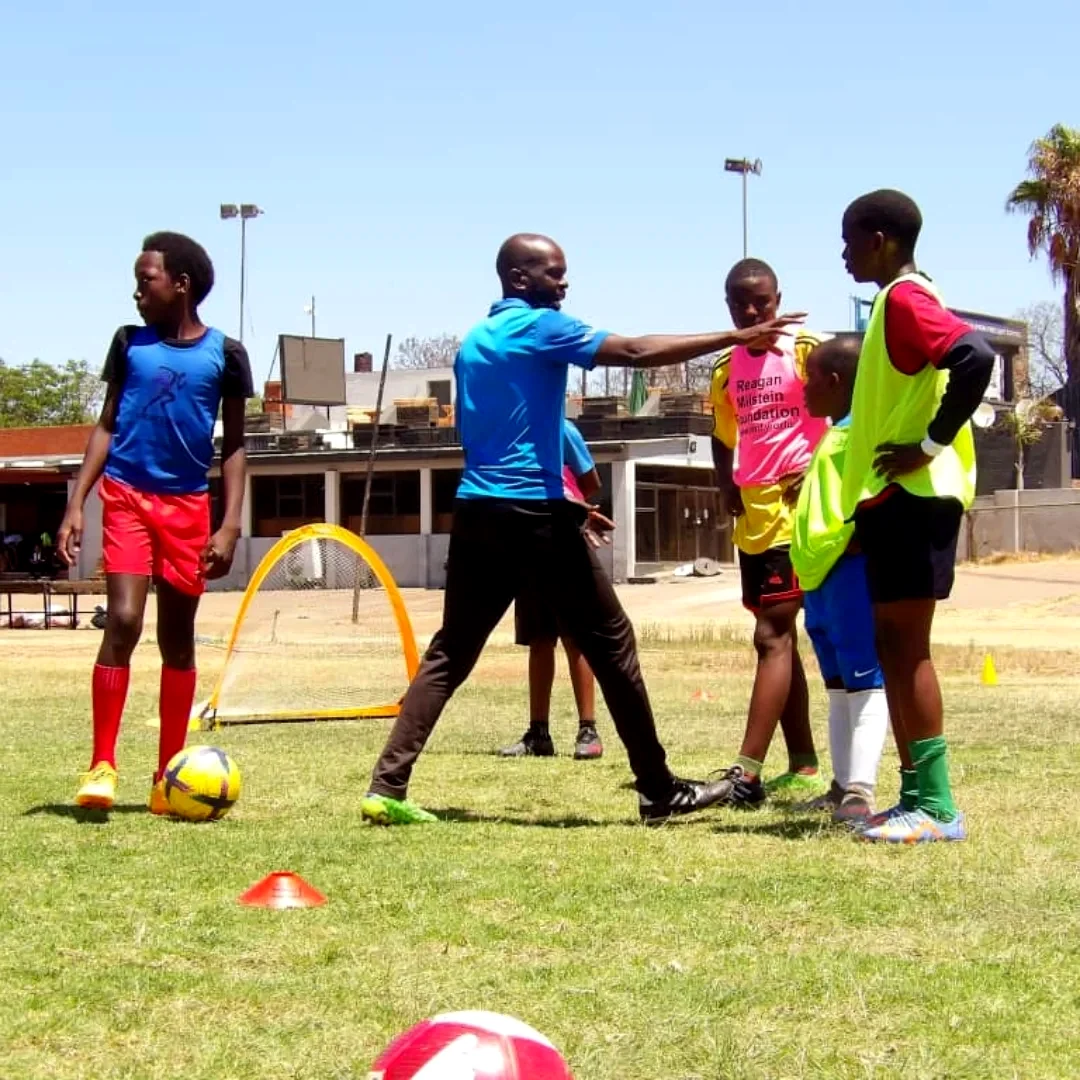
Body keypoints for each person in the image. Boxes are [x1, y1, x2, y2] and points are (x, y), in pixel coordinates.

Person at [360, 233, 804, 826]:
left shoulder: (475, 343)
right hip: (531, 515)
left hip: (478, 510)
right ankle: (658, 790)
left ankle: (386, 786)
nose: (565, 284)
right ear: (520, 279)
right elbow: (637, 351)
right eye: (554, 273)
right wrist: (734, 336)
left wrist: (570, 507)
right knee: (612, 641)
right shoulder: (539, 328)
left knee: (452, 650)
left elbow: (506, 437)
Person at [58, 231, 253, 814]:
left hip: (189, 508)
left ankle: (167, 776)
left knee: (177, 639)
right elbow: (107, 424)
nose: (137, 290)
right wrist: (77, 502)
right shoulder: (129, 344)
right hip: (126, 497)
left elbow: (237, 447)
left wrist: (229, 524)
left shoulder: (226, 354)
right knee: (122, 619)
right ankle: (102, 765)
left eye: (147, 279)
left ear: (181, 285)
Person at [839, 190, 994, 843]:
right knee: (891, 648)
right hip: (889, 498)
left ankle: (936, 806)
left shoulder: (906, 298)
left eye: (848, 239)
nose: (843, 253)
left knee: (907, 648)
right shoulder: (890, 304)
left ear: (879, 238)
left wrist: (927, 444)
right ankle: (913, 798)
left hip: (915, 495)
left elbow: (976, 356)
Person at [708, 259, 827, 807]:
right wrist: (723, 485)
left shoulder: (806, 352)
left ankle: (746, 772)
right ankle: (802, 761)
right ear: (728, 305)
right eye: (741, 303)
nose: (753, 312)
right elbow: (721, 433)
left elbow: (848, 412)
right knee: (776, 637)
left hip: (797, 514)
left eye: (763, 302)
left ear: (779, 299)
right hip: (751, 519)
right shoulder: (724, 368)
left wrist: (823, 464)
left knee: (771, 636)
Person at [788, 335, 889, 825]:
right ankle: (840, 784)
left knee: (865, 679)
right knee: (835, 684)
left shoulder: (864, 435)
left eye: (809, 379)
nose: (802, 389)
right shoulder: (833, 435)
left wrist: (857, 541)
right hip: (820, 577)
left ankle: (861, 790)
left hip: (848, 572)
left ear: (834, 381)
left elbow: (877, 495)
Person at [500, 418, 605, 761]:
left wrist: (567, 505)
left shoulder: (564, 429)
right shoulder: (513, 430)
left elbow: (591, 483)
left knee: (577, 639)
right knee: (539, 639)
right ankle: (538, 734)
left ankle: (587, 730)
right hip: (527, 541)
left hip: (566, 539)